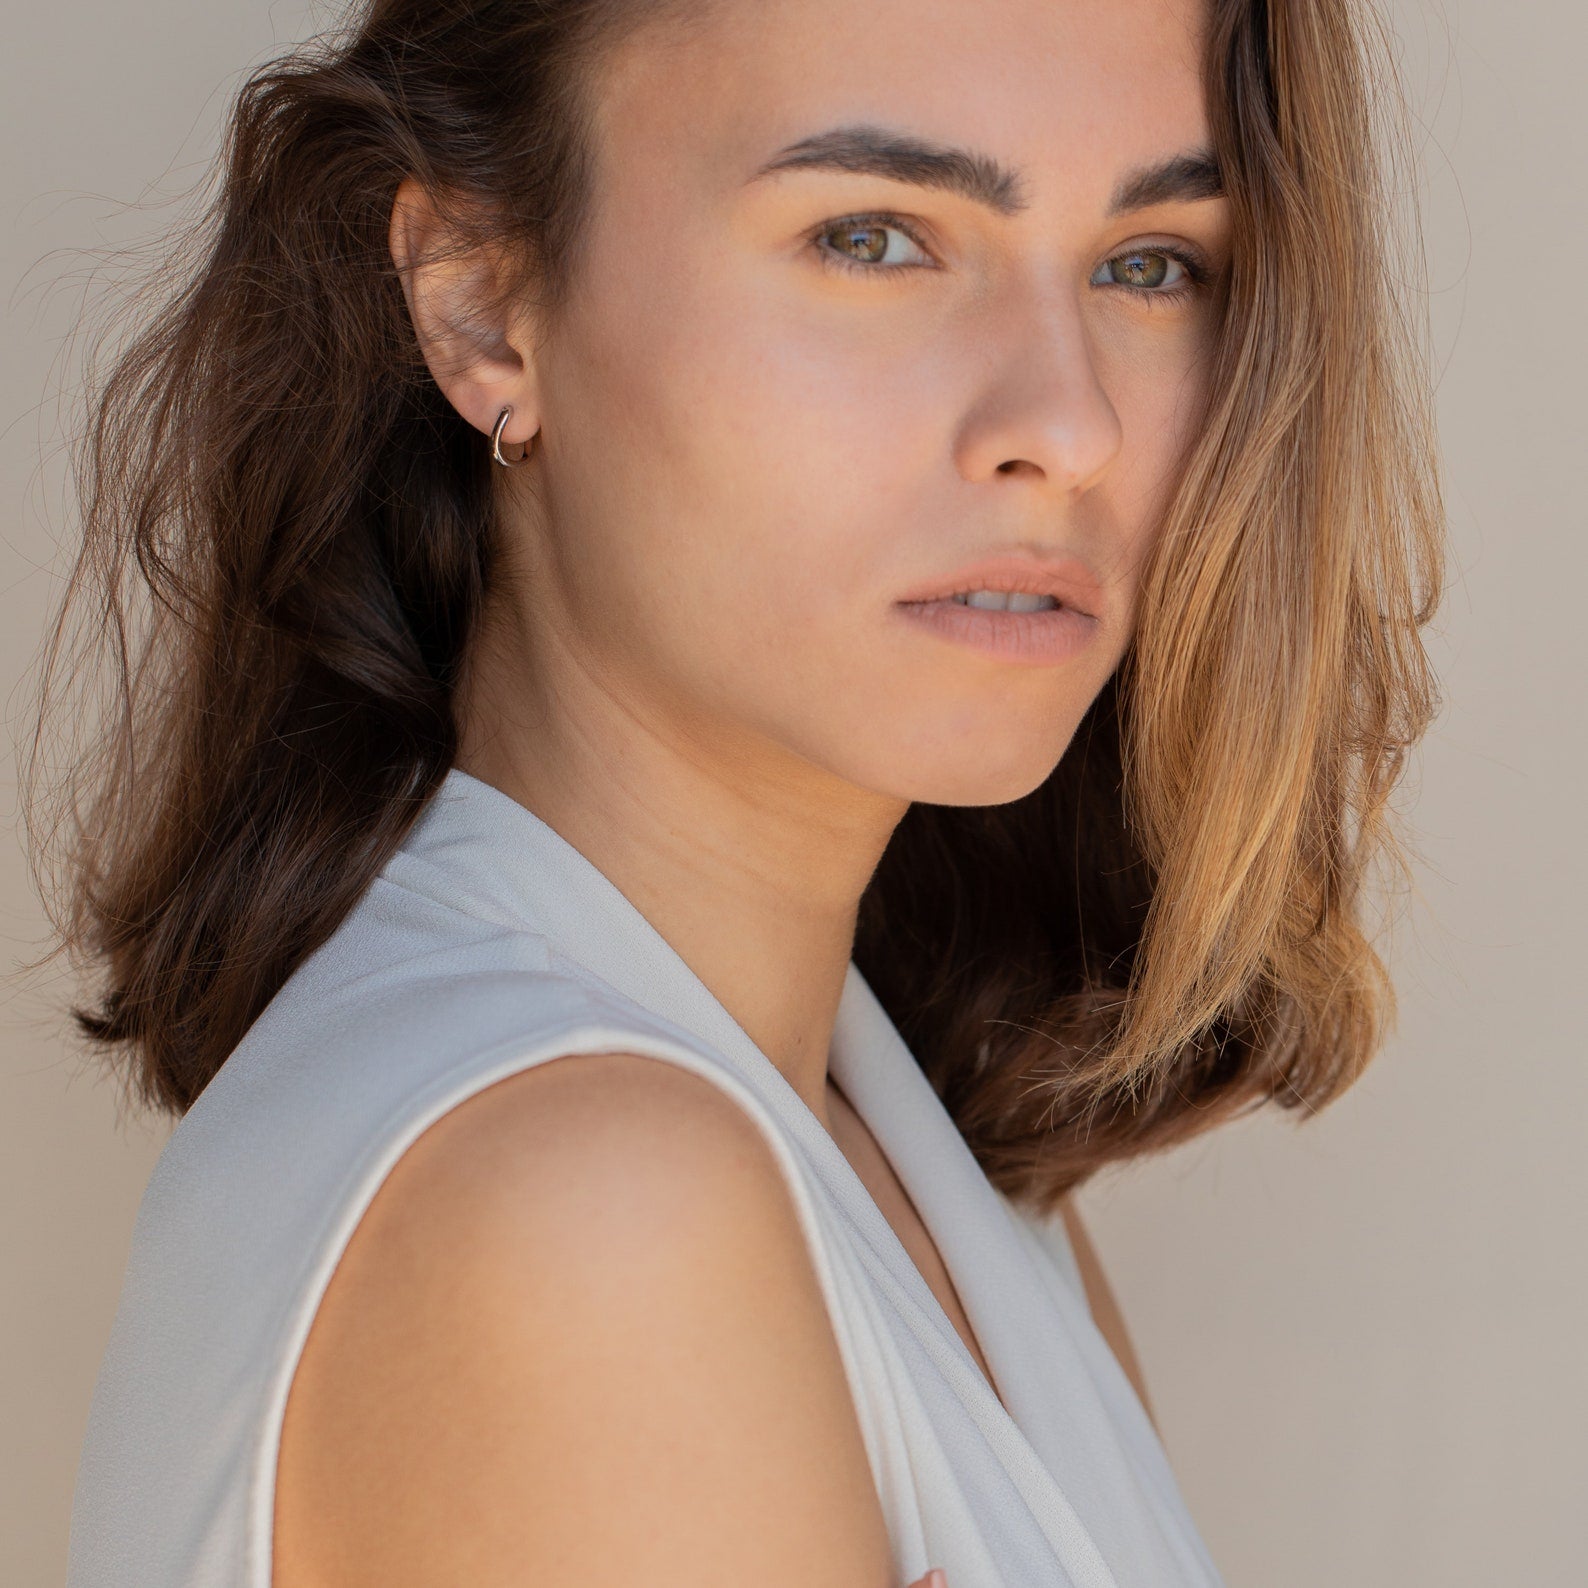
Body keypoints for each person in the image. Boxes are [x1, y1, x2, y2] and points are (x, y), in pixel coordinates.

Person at [29, 0, 1444, 1582]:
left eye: (1152, 263)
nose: (1069, 425)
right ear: (483, 304)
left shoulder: (918, 1174)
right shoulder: (581, 1213)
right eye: (873, 237)